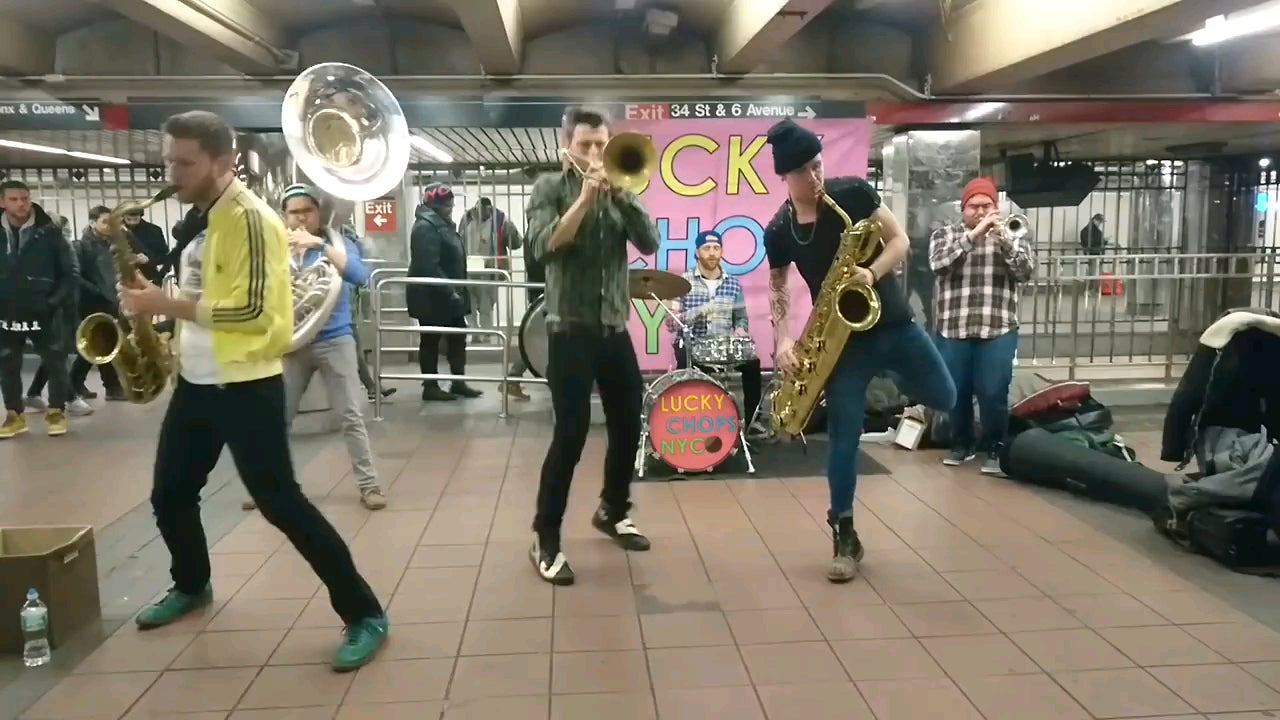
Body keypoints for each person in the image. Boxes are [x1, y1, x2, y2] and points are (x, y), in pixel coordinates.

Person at [115, 110, 387, 671]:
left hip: (245, 386)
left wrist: (164, 305)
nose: (172, 172)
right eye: (169, 160)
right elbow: (207, 294)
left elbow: (254, 311)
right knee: (170, 494)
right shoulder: (202, 219)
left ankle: (365, 613)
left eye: (185, 162)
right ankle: (192, 583)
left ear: (223, 161)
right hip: (196, 382)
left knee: (281, 504)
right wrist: (153, 298)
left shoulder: (253, 220)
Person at [763, 119, 956, 583]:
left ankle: (895, 382)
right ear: (784, 176)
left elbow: (900, 240)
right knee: (843, 439)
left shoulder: (852, 193)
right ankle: (844, 533)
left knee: (946, 397)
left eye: (817, 164)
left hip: (894, 325)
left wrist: (870, 274)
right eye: (802, 170)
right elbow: (778, 285)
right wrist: (783, 338)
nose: (815, 176)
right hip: (843, 344)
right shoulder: (779, 229)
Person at [525, 106, 660, 585]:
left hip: (612, 326)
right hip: (568, 328)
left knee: (628, 422)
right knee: (572, 432)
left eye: (602, 144)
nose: (596, 153)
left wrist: (621, 194)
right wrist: (583, 200)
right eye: (585, 145)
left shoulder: (622, 189)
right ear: (567, 147)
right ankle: (545, 535)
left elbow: (650, 243)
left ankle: (612, 509)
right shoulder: (549, 188)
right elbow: (543, 247)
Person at [241, 183, 386, 512]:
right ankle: (267, 488)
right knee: (277, 418)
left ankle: (369, 486)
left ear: (318, 212)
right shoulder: (273, 245)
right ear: (284, 216)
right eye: (294, 213)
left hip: (335, 338)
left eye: (307, 211)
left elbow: (360, 275)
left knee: (351, 415)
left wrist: (319, 245)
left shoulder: (338, 242)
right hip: (292, 342)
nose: (301, 218)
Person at [929, 177, 1035, 475]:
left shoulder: (1012, 233)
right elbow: (939, 265)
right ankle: (961, 444)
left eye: (986, 206)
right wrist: (974, 236)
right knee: (956, 391)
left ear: (996, 208)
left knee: (993, 391)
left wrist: (1004, 242)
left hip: (997, 327)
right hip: (954, 327)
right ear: (963, 209)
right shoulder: (945, 235)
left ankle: (995, 447)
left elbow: (1025, 272)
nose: (979, 212)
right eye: (973, 206)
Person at [666, 230, 766, 435]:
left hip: (723, 346)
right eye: (707, 248)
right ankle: (688, 423)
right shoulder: (682, 283)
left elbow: (741, 318)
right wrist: (699, 311)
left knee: (752, 363)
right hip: (694, 346)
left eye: (716, 248)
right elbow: (671, 322)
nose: (712, 253)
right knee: (684, 363)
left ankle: (753, 421)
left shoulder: (733, 284)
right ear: (697, 252)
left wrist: (740, 329)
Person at [0, 180, 77, 438]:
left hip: (45, 310)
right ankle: (14, 415)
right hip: (6, 311)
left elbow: (69, 273)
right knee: (7, 363)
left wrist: (52, 302)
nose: (21, 204)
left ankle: (56, 411)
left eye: (25, 198)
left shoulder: (50, 233)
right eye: (14, 199)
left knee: (55, 361)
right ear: (2, 202)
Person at [406, 183, 482, 402]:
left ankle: (458, 381)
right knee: (431, 340)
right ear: (435, 206)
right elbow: (427, 265)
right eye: (447, 205)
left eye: (451, 205)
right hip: (432, 296)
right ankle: (430, 386)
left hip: (447, 294)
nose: (451, 209)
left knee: (458, 337)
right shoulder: (425, 227)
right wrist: (450, 291)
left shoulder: (440, 223)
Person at [25, 212, 94, 416]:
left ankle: (34, 393)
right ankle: (70, 398)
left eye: (68, 231)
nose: (67, 236)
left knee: (55, 353)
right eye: (64, 231)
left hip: (66, 307)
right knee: (57, 353)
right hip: (50, 309)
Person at [459, 197, 523, 342]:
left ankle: (486, 332)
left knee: (487, 303)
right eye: (483, 210)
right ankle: (475, 332)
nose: (487, 213)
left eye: (489, 210)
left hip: (490, 269)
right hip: (469, 269)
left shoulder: (500, 219)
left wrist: (511, 232)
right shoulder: (466, 218)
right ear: (476, 208)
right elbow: (460, 240)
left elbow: (517, 243)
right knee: (468, 303)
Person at [501, 219, 546, 401]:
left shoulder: (532, 232)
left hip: (538, 288)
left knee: (538, 337)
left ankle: (513, 378)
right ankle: (512, 378)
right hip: (545, 289)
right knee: (538, 339)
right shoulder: (541, 233)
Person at [122, 205, 171, 285]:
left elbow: (165, 257)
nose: (132, 221)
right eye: (129, 218)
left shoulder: (154, 231)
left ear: (141, 215)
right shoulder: (115, 231)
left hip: (149, 277)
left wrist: (148, 260)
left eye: (135, 217)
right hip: (122, 279)